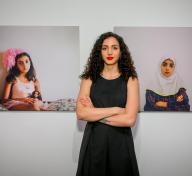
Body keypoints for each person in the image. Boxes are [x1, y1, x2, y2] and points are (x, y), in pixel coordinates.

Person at [76, 32, 140, 176]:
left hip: (121, 144)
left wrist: (94, 113)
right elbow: (81, 113)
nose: (109, 52)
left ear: (121, 51)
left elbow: (129, 119)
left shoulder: (131, 79)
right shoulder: (88, 79)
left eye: (114, 47)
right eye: (105, 48)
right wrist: (117, 110)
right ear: (99, 52)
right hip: (94, 143)